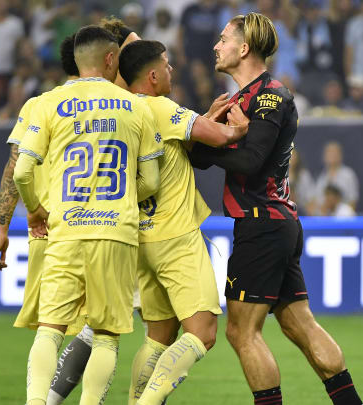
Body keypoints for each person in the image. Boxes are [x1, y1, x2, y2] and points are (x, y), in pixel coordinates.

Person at [190, 12, 363, 405]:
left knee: (241, 332)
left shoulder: (270, 96)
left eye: (223, 39)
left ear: (243, 48)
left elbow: (250, 162)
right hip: (273, 223)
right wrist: (209, 126)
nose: (216, 46)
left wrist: (219, 138)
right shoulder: (238, 100)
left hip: (262, 225)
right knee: (299, 324)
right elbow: (199, 158)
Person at [13, 26, 163, 405]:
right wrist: (121, 197)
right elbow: (151, 180)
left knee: (50, 330)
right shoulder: (137, 107)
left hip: (66, 230)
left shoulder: (47, 103)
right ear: (111, 59)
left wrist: (35, 209)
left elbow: (22, 172)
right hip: (115, 232)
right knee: (106, 337)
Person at [119, 39, 249, 405]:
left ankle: (136, 400)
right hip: (175, 236)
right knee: (203, 332)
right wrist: (238, 128)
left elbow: (175, 143)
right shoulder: (162, 107)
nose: (172, 70)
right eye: (166, 64)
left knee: (159, 336)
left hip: (141, 238)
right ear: (153, 75)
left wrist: (203, 117)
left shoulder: (125, 110)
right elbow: (221, 137)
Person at [0, 34, 93, 405]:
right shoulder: (113, 105)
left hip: (44, 232)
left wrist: (3, 227)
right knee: (99, 331)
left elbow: (15, 166)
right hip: (94, 229)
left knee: (51, 329)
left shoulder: (38, 105)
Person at [313, 142, 359, 212]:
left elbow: (353, 201)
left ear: (340, 155)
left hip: (343, 214)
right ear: (324, 156)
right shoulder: (321, 177)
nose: (332, 155)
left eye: (335, 153)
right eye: (329, 153)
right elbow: (317, 200)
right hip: (325, 215)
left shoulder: (348, 175)